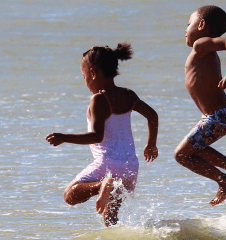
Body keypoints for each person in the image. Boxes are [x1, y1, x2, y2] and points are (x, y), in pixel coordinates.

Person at [46, 43, 158, 227]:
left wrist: (64, 137)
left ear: (93, 73)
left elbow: (97, 136)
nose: (85, 81)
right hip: (130, 165)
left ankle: (103, 185)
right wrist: (151, 144)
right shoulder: (128, 94)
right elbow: (152, 116)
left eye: (84, 77)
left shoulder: (98, 99)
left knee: (70, 195)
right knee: (111, 218)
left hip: (108, 164)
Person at [174, 5, 226, 206]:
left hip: (218, 115)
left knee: (181, 155)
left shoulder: (200, 44)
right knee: (194, 148)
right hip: (220, 114)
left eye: (188, 24)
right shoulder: (203, 48)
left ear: (201, 25)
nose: (185, 30)